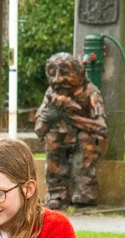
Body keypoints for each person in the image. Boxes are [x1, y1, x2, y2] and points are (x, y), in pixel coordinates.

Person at [34, 52, 108, 209]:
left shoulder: (90, 92)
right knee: (53, 140)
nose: (58, 79)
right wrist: (50, 116)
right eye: (52, 74)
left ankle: (84, 193)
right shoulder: (50, 94)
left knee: (85, 139)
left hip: (86, 142)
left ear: (80, 74)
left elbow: (101, 128)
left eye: (65, 73)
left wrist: (70, 117)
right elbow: (39, 130)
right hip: (63, 140)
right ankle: (57, 194)